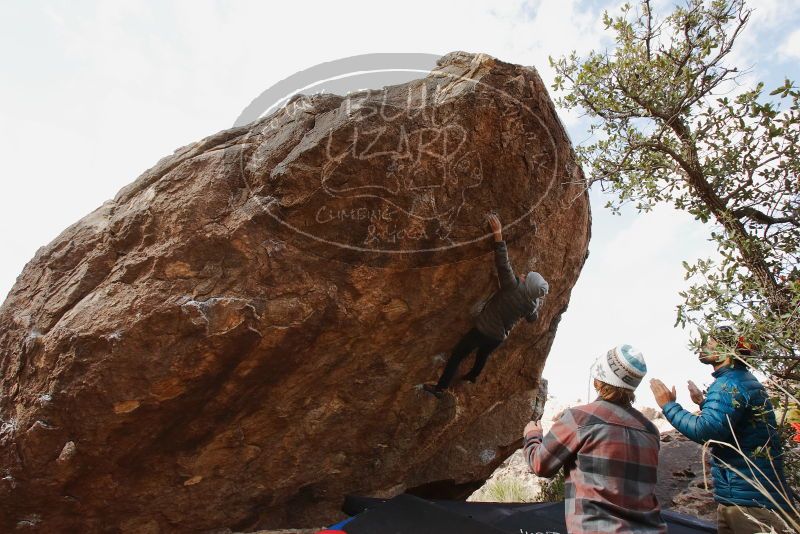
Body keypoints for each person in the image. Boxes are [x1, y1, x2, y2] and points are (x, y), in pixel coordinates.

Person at [650, 327, 794, 534]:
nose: (702, 347)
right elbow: (731, 426)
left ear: (727, 351)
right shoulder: (740, 379)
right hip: (746, 497)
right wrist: (704, 404)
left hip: (749, 502)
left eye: (709, 343)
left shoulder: (729, 384)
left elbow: (707, 431)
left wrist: (668, 406)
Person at [524, 345, 666, 533]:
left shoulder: (579, 418)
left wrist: (532, 435)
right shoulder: (650, 430)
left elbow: (540, 465)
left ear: (599, 381)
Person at [423, 214, 548, 398]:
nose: (523, 275)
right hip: (497, 338)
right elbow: (532, 318)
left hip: (482, 330)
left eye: (526, 277)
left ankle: (440, 389)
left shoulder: (512, 286)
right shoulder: (531, 305)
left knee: (458, 355)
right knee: (482, 356)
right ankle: (472, 376)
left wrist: (498, 235)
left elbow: (503, 263)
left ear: (526, 284)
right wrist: (536, 304)